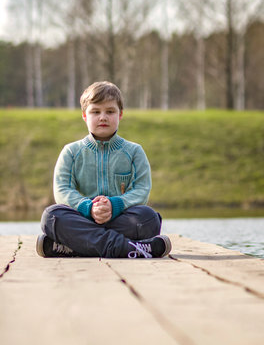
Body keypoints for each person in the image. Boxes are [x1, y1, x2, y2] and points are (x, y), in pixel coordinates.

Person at [36, 81, 171, 259]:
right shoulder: (71, 152)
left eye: (110, 111)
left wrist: (115, 205)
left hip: (120, 218)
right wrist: (89, 208)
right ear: (84, 115)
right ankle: (132, 248)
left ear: (120, 114)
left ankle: (73, 247)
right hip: (82, 218)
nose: (103, 117)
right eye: (95, 111)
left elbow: (141, 190)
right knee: (52, 216)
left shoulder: (134, 152)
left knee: (148, 218)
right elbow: (62, 190)